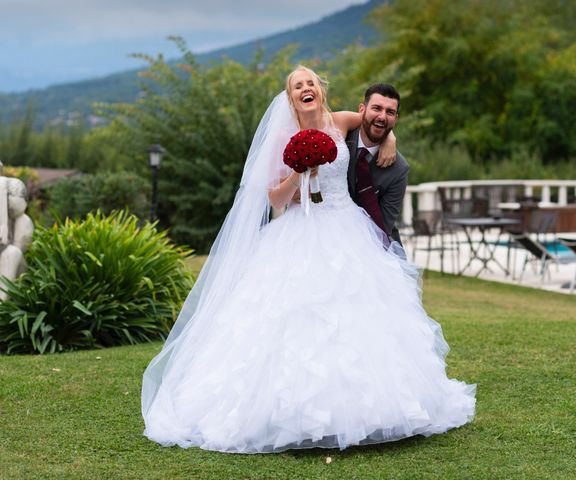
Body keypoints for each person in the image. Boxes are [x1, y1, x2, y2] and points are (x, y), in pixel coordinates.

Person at [141, 66, 476, 454]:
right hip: (299, 231)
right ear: (290, 97)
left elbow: (372, 123)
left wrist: (390, 142)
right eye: (297, 85)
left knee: (360, 317)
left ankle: (371, 409)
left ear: (320, 90)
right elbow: (274, 200)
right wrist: (300, 172)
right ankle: (290, 414)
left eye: (311, 83)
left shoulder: (340, 122)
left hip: (346, 226)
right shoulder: (282, 139)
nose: (305, 88)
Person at [346, 84, 408, 244]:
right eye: (376, 108)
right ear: (362, 109)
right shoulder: (340, 138)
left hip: (374, 243)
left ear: (396, 119)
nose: (382, 116)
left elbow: (384, 226)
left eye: (390, 112)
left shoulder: (399, 169)